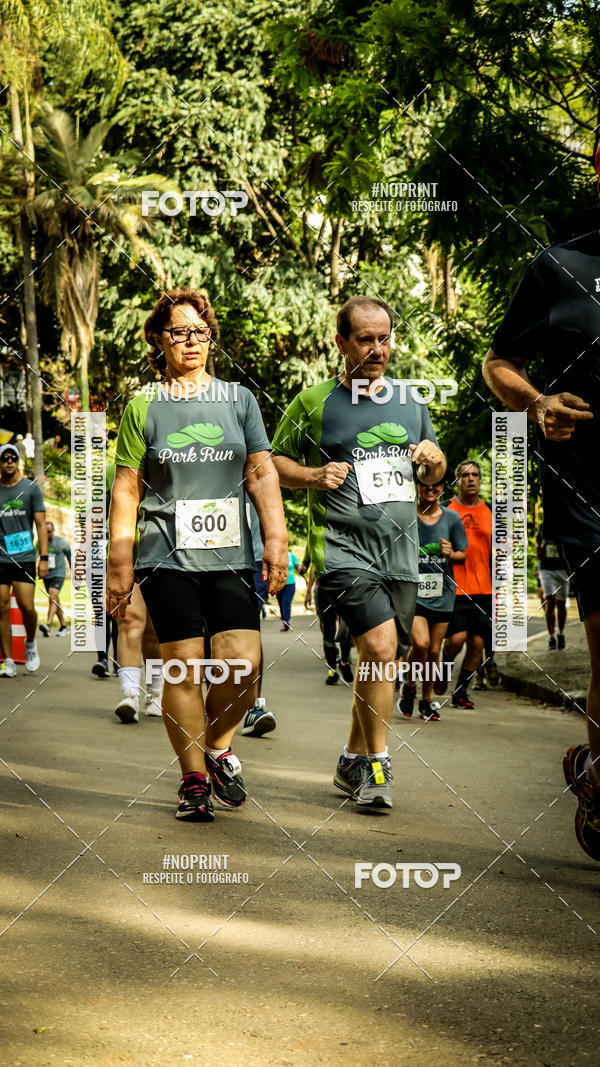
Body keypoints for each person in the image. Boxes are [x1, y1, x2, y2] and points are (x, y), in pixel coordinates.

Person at [107, 288, 288, 822]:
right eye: (179, 332)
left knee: (243, 665)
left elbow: (260, 470)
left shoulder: (239, 400)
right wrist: (120, 565)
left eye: (200, 331)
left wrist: (275, 539)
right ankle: (192, 780)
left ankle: (219, 747)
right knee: (183, 670)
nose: (191, 340)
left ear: (212, 337)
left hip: (231, 553)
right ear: (159, 341)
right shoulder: (144, 405)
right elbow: (126, 488)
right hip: (165, 556)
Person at [272, 294, 445, 810]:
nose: (377, 349)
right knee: (379, 647)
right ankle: (377, 766)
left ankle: (351, 756)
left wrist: (434, 463)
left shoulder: (413, 402)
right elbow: (269, 465)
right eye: (365, 339)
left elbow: (430, 476)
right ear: (341, 341)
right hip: (344, 552)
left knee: (380, 658)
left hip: (401, 556)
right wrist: (312, 475)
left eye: (384, 338)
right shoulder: (314, 403)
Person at [482, 182, 600, 860]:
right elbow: (501, 362)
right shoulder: (560, 266)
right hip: (586, 484)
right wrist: (536, 404)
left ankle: (592, 765)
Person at [398, 478, 467, 721]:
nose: (431, 488)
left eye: (437, 485)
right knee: (422, 644)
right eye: (425, 483)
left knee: (435, 650)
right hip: (413, 594)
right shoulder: (406, 515)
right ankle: (409, 685)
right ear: (417, 486)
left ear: (442, 488)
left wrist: (451, 553)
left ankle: (426, 701)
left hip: (442, 594)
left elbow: (462, 555)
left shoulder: (451, 518)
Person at [436, 460, 497, 709]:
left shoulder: (492, 510)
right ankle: (444, 668)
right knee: (456, 640)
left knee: (478, 643)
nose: (470, 479)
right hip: (454, 588)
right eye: (465, 475)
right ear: (457, 480)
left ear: (480, 480)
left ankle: (461, 692)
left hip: (485, 588)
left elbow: (501, 549)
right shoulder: (445, 509)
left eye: (475, 475)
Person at [0, 443, 46, 675]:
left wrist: (44, 557)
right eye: (5, 458)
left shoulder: (30, 489)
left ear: (18, 461)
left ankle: (30, 642)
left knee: (27, 607)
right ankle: (8, 660)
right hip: (0, 558)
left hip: (25, 557)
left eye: (13, 457)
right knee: (2, 606)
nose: (9, 461)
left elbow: (40, 524)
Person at [241, 499, 277, 737]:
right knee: (209, 631)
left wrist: (277, 545)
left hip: (253, 557)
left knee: (249, 629)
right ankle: (212, 703)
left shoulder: (259, 462)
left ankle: (254, 707)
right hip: (202, 555)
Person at [305, 564, 354, 685]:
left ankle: (344, 661)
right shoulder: (318, 545)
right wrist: (309, 591)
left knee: (346, 629)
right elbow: (313, 567)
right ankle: (332, 669)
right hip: (324, 590)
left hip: (344, 588)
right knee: (328, 630)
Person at [536, 529, 569, 650]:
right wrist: (540, 548)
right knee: (550, 602)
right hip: (547, 570)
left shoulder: (566, 528)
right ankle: (551, 636)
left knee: (561, 604)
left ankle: (561, 633)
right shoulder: (542, 529)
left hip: (563, 570)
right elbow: (538, 551)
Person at [39, 521, 71, 636]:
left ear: (53, 531)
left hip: (59, 573)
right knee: (55, 599)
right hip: (47, 575)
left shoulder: (61, 542)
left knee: (52, 596)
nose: (47, 534)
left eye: (49, 531)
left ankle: (47, 624)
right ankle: (63, 626)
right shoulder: (41, 543)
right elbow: (38, 557)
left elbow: (70, 556)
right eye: (45, 532)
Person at [277, 550, 298, 631]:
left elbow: (298, 568)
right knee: (281, 603)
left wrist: (305, 578)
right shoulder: (275, 555)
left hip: (290, 584)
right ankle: (284, 620)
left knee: (286, 602)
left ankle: (286, 622)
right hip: (278, 584)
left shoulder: (292, 556)